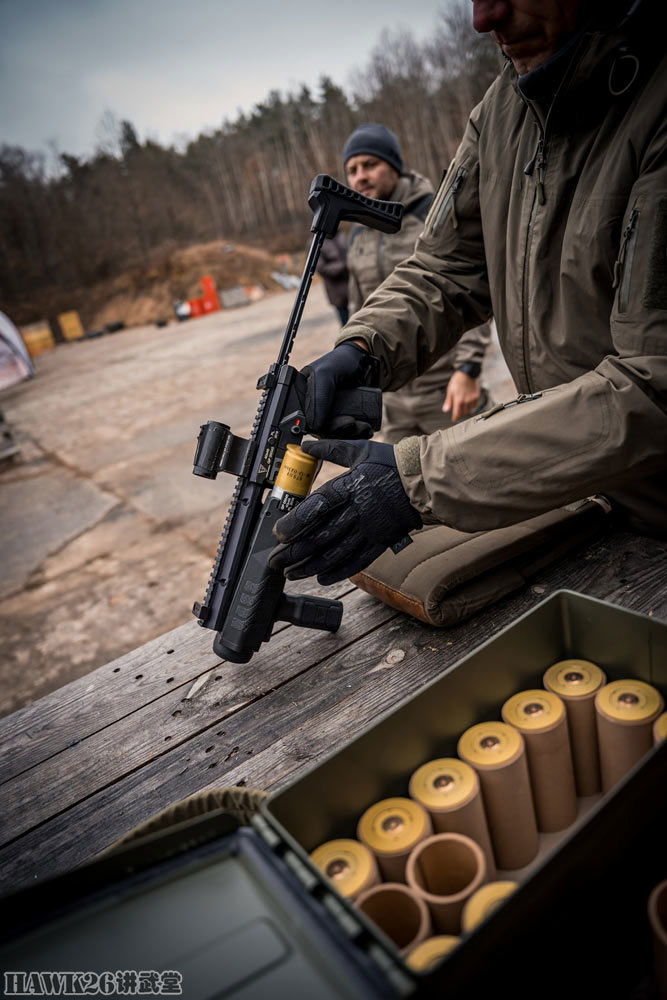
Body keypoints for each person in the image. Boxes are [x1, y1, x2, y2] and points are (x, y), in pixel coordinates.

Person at [270, 0, 667, 587]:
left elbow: (654, 381)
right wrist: (364, 348)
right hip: (579, 494)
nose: (484, 19)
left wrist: (421, 481)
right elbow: (449, 267)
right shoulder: (500, 111)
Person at [343, 123, 493, 441]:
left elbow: (465, 286)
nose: (360, 177)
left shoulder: (432, 215)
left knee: (480, 479)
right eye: (352, 170)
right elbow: (358, 310)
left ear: (394, 166)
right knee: (398, 486)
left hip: (445, 390)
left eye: (370, 165)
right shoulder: (357, 233)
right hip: (394, 399)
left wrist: (468, 370)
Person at [316, 230, 350, 326]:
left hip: (354, 290)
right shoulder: (316, 242)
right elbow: (321, 268)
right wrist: (343, 267)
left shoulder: (342, 235)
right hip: (338, 294)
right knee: (347, 326)